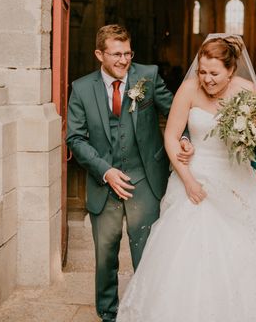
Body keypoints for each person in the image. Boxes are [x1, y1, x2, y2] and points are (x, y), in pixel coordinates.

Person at [117, 34, 256, 322]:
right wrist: (188, 180)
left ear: (231, 71)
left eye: (214, 73)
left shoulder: (247, 91)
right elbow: (172, 137)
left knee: (247, 254)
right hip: (194, 177)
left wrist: (250, 139)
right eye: (202, 71)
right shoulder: (187, 90)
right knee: (187, 253)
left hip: (235, 181)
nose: (207, 79)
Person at [66, 24, 194, 322]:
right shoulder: (81, 88)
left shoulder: (146, 77)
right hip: (104, 181)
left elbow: (176, 112)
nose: (124, 60)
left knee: (147, 253)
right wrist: (105, 171)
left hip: (145, 179)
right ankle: (108, 314)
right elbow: (75, 138)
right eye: (116, 54)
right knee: (106, 256)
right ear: (100, 54)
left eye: (127, 53)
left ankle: (148, 311)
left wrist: (184, 138)